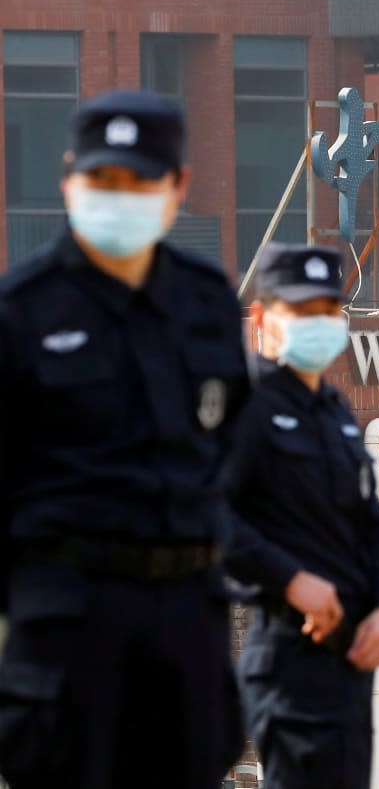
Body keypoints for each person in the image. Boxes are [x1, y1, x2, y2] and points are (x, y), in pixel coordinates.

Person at [0, 88, 249, 789]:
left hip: (187, 622)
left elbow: (229, 445)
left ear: (178, 187)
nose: (119, 197)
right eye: (102, 179)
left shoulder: (206, 301)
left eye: (140, 180)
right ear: (69, 176)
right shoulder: (23, 309)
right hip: (71, 624)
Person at [222, 242, 379, 789]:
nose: (320, 323)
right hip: (289, 659)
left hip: (348, 662)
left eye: (329, 310)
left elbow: (375, 526)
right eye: (302, 311)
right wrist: (292, 580)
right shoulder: (243, 403)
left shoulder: (336, 413)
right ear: (261, 316)